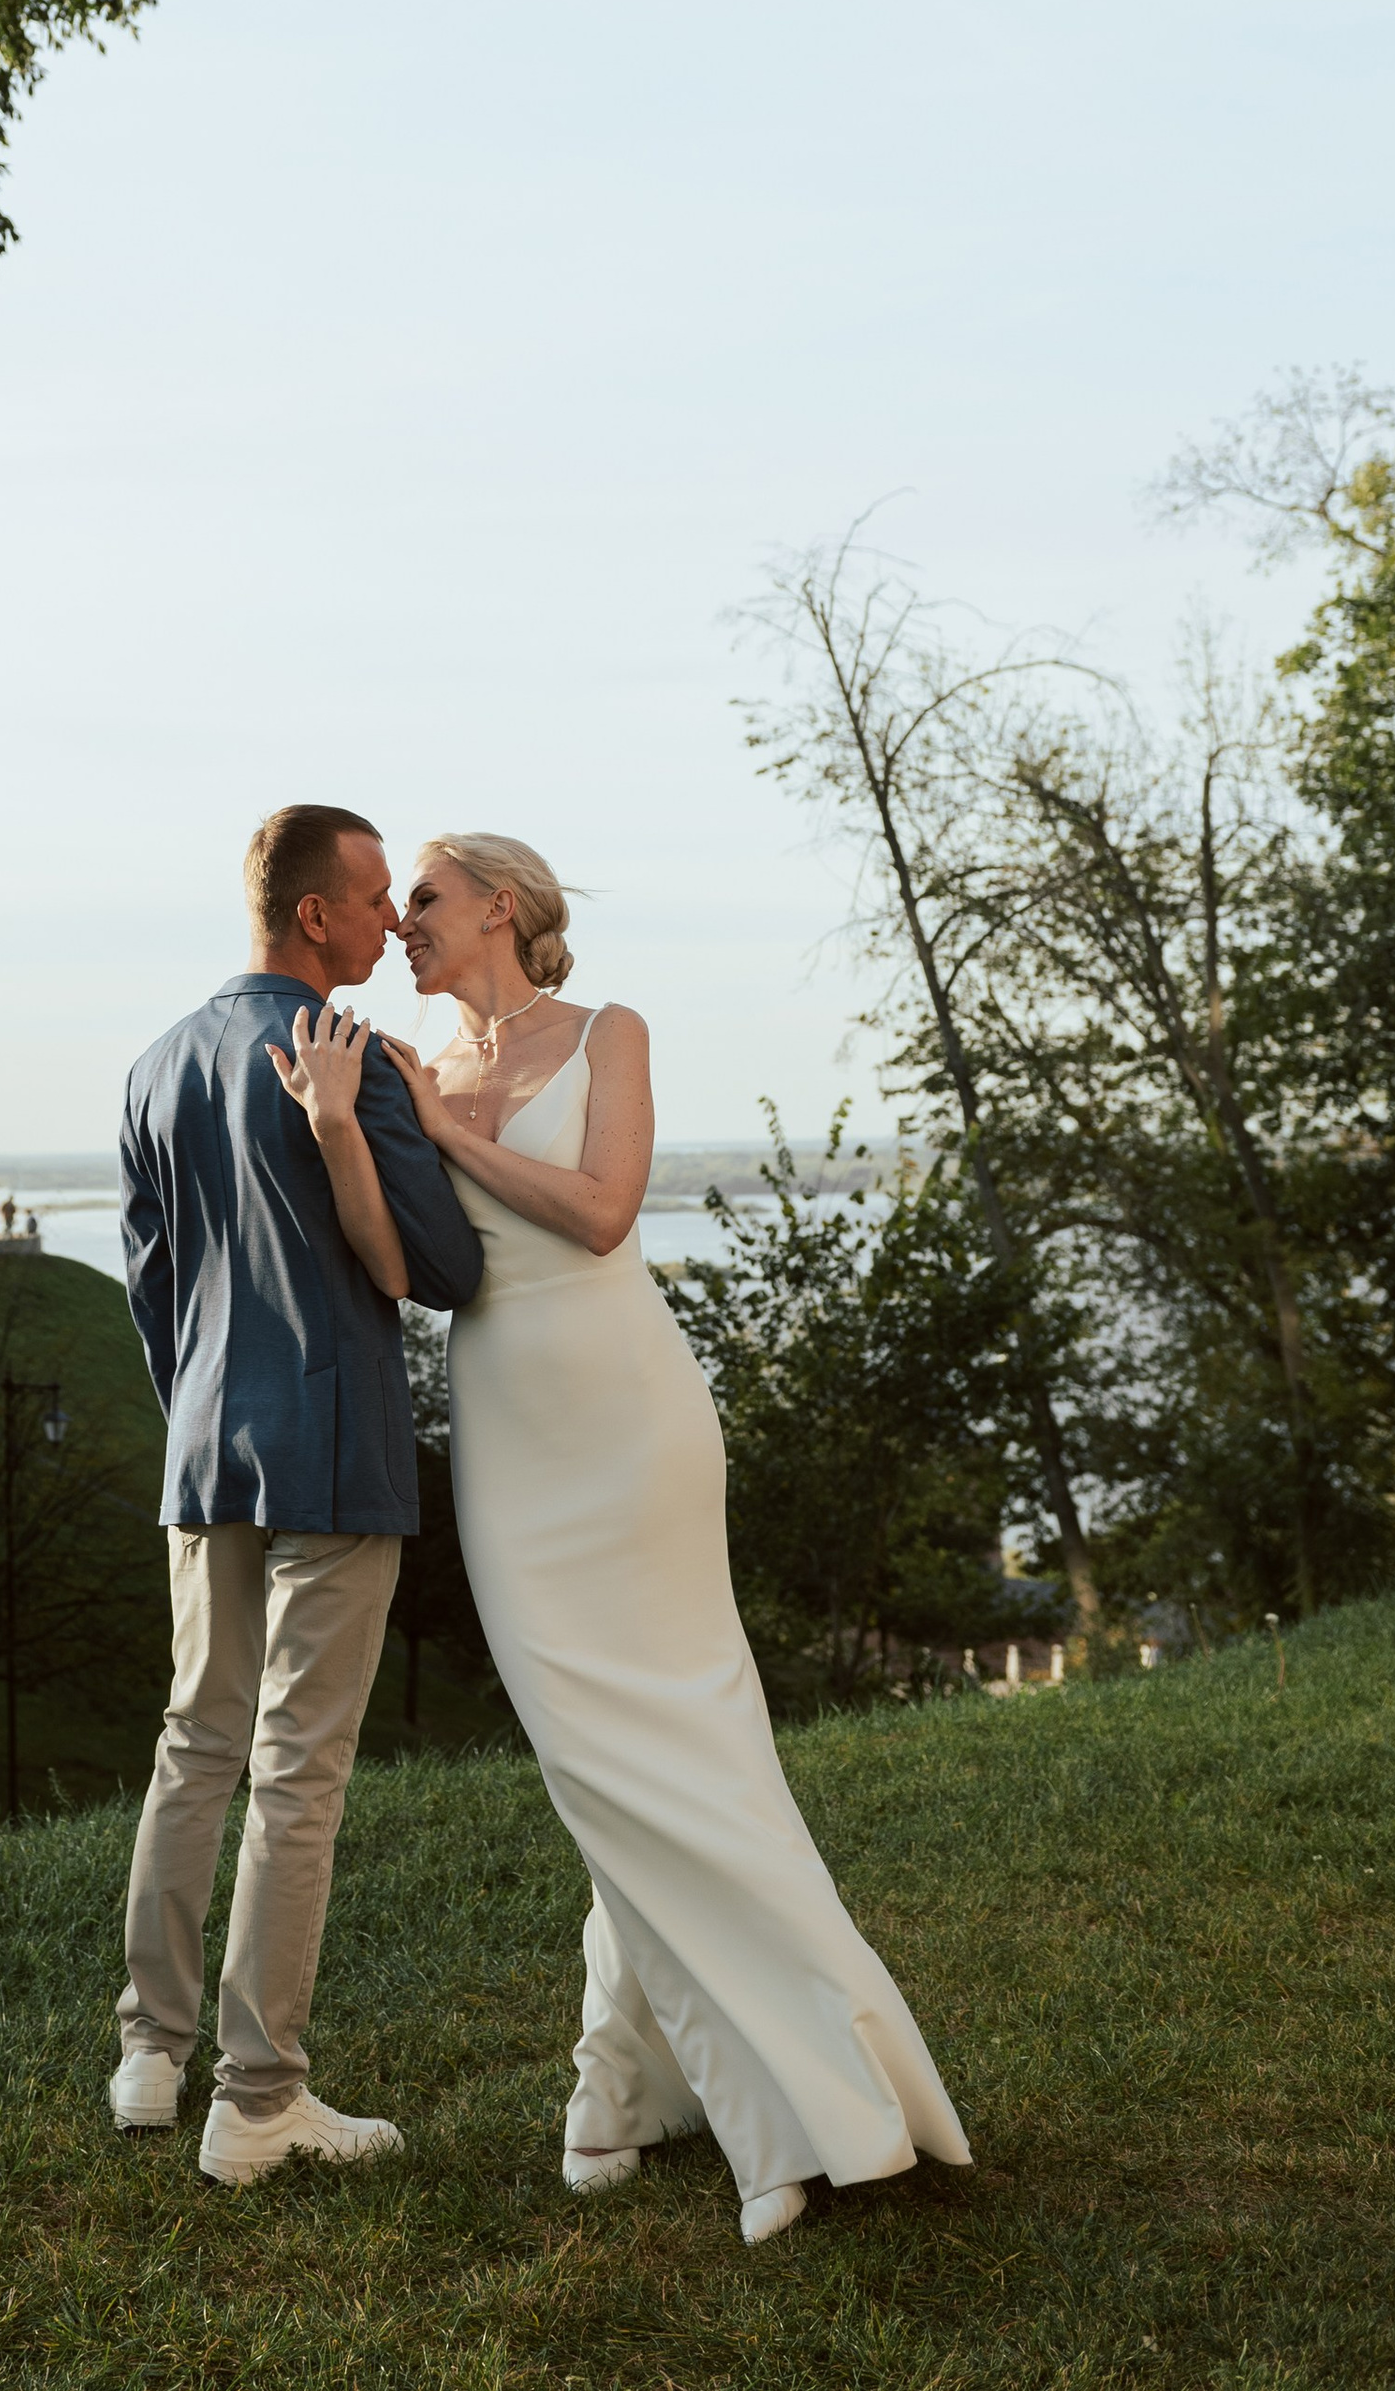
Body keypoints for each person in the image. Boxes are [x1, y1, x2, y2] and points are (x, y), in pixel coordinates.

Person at [331, 828, 969, 2247]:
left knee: (696, 1750)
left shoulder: (605, 1032)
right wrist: (345, 1125)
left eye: (422, 899)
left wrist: (445, 1134)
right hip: (510, 1445)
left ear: (500, 905)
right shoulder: (407, 1074)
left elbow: (607, 1215)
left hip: (636, 1426)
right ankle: (617, 2091)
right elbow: (408, 1273)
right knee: (597, 1764)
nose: (403, 925)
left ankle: (757, 2122)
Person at [114, 803, 483, 2187]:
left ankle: (150, 2052)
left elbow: (152, 1290)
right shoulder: (345, 1059)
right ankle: (259, 2097)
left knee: (191, 1744)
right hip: (334, 1449)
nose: (393, 921)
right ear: (316, 913)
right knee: (298, 1775)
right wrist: (417, 1119)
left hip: (205, 1448)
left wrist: (201, 1413)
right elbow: (444, 1266)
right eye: (379, 897)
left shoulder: (155, 1067)